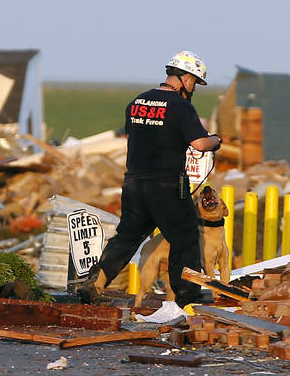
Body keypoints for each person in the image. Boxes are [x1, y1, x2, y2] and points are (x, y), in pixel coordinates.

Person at [77, 51, 221, 306]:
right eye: (195, 82)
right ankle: (187, 298)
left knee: (127, 236)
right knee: (185, 237)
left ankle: (96, 282)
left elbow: (137, 137)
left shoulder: (137, 102)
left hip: (133, 183)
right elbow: (199, 144)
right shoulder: (181, 106)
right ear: (185, 78)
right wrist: (216, 141)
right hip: (167, 184)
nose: (193, 88)